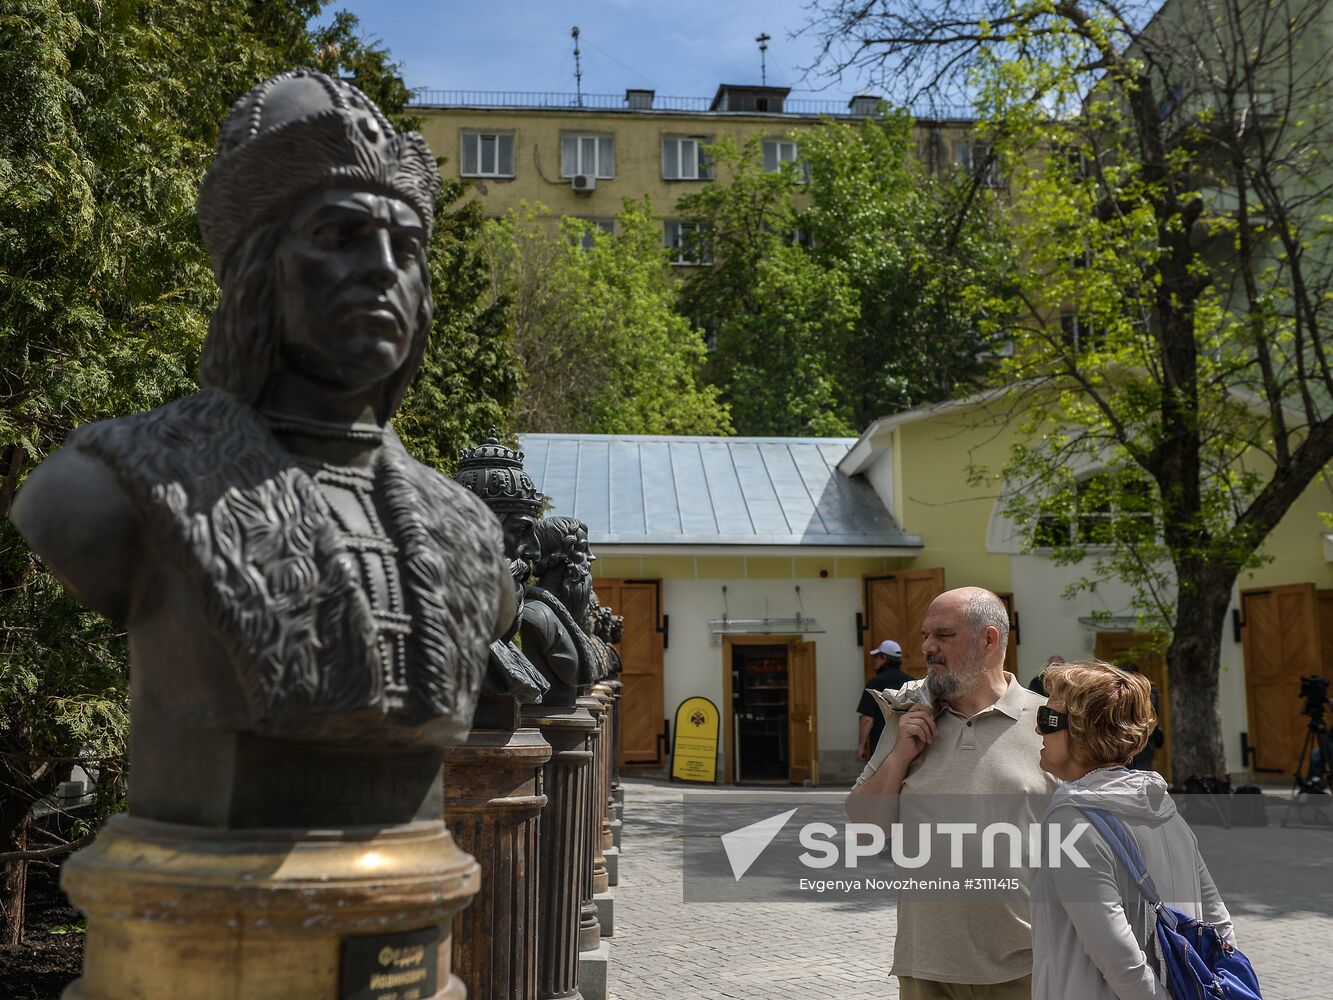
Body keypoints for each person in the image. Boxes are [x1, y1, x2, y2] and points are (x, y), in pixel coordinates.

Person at [10, 70, 512, 826]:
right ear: (255, 270)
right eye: (339, 235)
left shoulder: (467, 529)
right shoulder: (110, 484)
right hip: (208, 900)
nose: (382, 267)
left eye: (405, 246)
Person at [847, 587, 1057, 1000]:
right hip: (926, 968)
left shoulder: (1049, 723)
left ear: (989, 640)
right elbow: (864, 829)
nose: (927, 647)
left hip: (1026, 968)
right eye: (926, 635)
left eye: (943, 635)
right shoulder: (906, 716)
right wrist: (900, 756)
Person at [1031, 660, 1236, 1000]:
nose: (1038, 730)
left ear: (1084, 732)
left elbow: (1120, 960)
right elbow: (1220, 926)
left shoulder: (1070, 824)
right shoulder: (1164, 809)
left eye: (1047, 719)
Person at [858, 639, 914, 761]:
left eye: (877, 657)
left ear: (884, 657)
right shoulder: (911, 682)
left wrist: (861, 746)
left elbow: (867, 719)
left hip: (881, 744)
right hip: (907, 743)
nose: (875, 661)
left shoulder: (875, 682)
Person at [1119, 662, 1165, 772]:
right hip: (1144, 739)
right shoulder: (1149, 691)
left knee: (1132, 774)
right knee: (1142, 773)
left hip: (1135, 739)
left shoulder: (1147, 692)